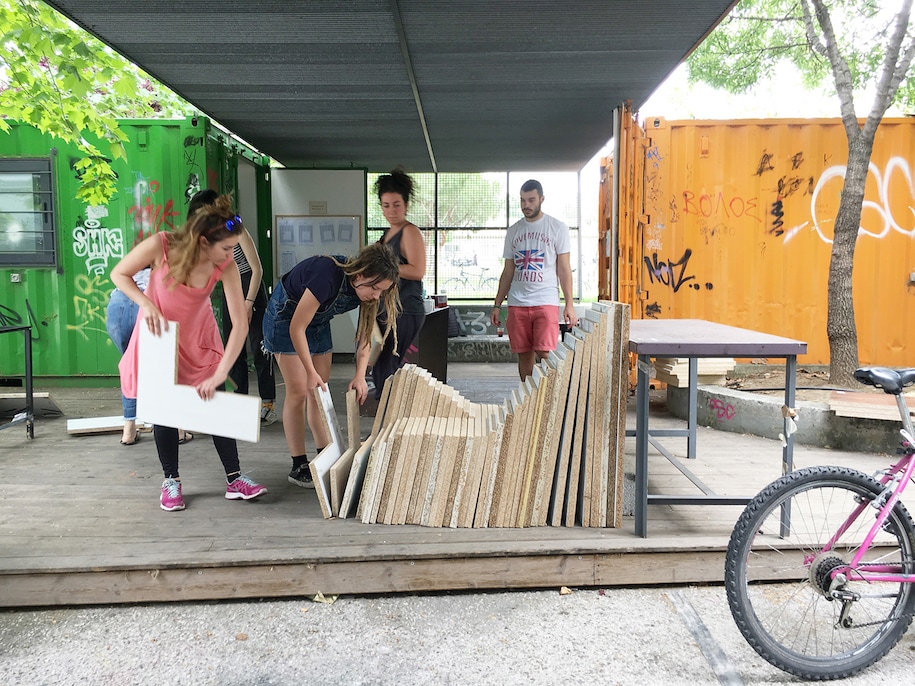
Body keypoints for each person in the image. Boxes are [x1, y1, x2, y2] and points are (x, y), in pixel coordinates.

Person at [111, 193, 267, 512]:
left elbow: (239, 325)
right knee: (164, 408)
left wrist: (222, 373)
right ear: (203, 239)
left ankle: (234, 478)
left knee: (216, 401)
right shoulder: (162, 245)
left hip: (198, 336)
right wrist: (146, 303)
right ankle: (171, 480)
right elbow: (119, 274)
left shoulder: (225, 267)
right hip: (159, 334)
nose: (231, 254)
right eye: (226, 247)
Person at [262, 243, 401, 488]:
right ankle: (299, 464)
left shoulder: (367, 290)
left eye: (383, 291)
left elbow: (366, 336)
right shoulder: (326, 276)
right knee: (297, 391)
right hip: (286, 319)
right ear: (360, 275)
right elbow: (297, 328)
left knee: (318, 391)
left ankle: (324, 454)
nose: (377, 295)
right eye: (375, 288)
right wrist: (311, 371)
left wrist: (360, 375)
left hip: (317, 322)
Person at [187, 190, 278, 426]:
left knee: (260, 348)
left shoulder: (236, 227)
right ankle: (240, 403)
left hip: (250, 286)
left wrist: (248, 304)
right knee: (233, 348)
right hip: (231, 287)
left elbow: (257, 269)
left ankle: (267, 403)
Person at [490, 179, 579, 380]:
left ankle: (550, 400)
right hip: (517, 303)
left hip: (545, 300)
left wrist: (569, 305)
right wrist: (497, 305)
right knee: (524, 354)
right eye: (522, 200)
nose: (526, 205)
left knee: (545, 353)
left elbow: (564, 269)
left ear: (541, 199)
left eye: (531, 200)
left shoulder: (557, 228)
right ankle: (528, 402)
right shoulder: (514, 231)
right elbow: (508, 271)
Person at [369, 169, 427, 405]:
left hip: (405, 309)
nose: (391, 211)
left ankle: (389, 427)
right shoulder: (387, 233)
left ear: (406, 204)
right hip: (388, 309)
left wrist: (383, 268)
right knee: (381, 370)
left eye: (396, 205)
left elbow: (417, 270)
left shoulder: (409, 231)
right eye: (385, 205)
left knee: (386, 370)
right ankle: (386, 426)